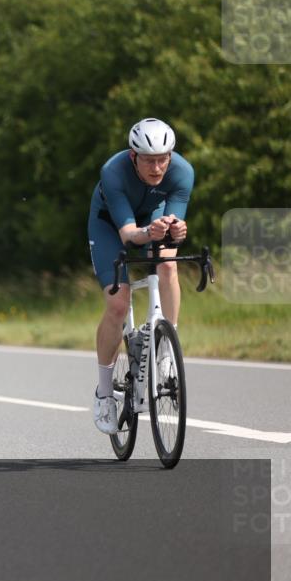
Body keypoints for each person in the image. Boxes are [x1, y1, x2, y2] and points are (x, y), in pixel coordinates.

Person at [88, 118, 193, 434]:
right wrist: (150, 231)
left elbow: (173, 221)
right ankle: (105, 393)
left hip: (152, 219)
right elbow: (129, 235)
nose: (158, 167)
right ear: (134, 156)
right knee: (118, 305)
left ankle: (166, 349)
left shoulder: (183, 172)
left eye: (163, 159)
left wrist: (176, 230)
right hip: (111, 226)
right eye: (149, 160)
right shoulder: (113, 171)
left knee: (168, 264)